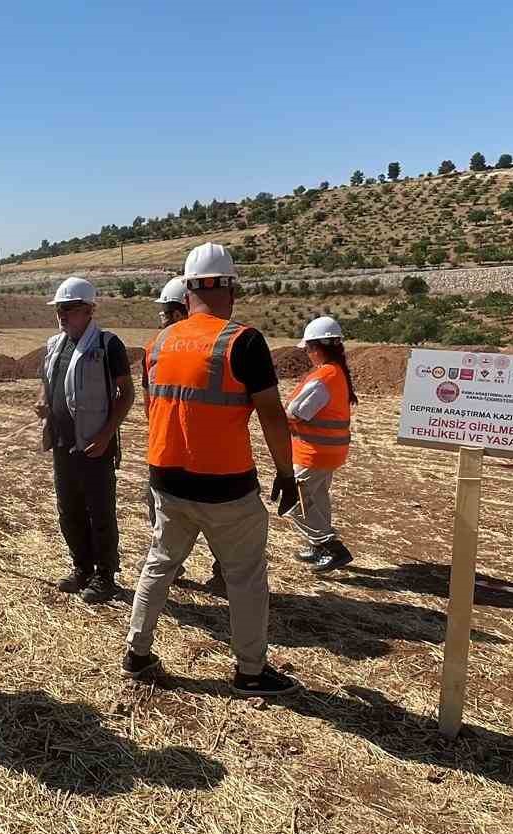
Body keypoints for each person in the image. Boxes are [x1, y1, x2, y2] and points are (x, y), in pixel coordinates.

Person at [124, 243, 304, 697]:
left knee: (160, 563)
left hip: (166, 478)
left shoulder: (157, 344)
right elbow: (271, 414)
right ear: (230, 288)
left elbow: (154, 412)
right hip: (226, 487)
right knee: (245, 578)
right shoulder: (243, 341)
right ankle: (249, 671)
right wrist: (286, 471)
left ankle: (137, 652)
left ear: (186, 292)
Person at [35, 276, 135, 602]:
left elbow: (127, 394)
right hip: (63, 445)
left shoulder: (108, 345)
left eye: (70, 309)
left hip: (95, 446)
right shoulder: (55, 345)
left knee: (100, 512)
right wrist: (42, 400)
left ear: (90, 310)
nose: (63, 316)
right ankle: (83, 569)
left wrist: (107, 435)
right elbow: (48, 382)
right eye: (59, 310)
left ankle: (106, 576)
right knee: (69, 510)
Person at [142, 276, 224, 593]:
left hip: (170, 455)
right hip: (207, 455)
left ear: (178, 314)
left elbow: (152, 408)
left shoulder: (157, 350)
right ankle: (221, 573)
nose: (160, 320)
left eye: (163, 313)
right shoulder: (222, 344)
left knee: (170, 517)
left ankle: (172, 568)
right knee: (216, 519)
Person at [286, 316, 358, 572]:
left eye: (307, 349)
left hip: (314, 454)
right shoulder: (336, 372)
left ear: (317, 347)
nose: (306, 353)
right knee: (316, 498)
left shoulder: (324, 377)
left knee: (292, 501)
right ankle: (318, 547)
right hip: (329, 452)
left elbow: (296, 412)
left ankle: (329, 546)